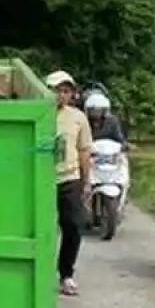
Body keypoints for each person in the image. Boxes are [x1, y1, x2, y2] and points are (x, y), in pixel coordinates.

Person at [46, 71, 93, 296]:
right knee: (42, 229)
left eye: (66, 91)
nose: (61, 95)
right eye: (57, 90)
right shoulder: (38, 115)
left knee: (73, 226)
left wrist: (86, 181)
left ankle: (66, 274)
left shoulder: (77, 117)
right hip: (42, 180)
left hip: (69, 178)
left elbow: (84, 150)